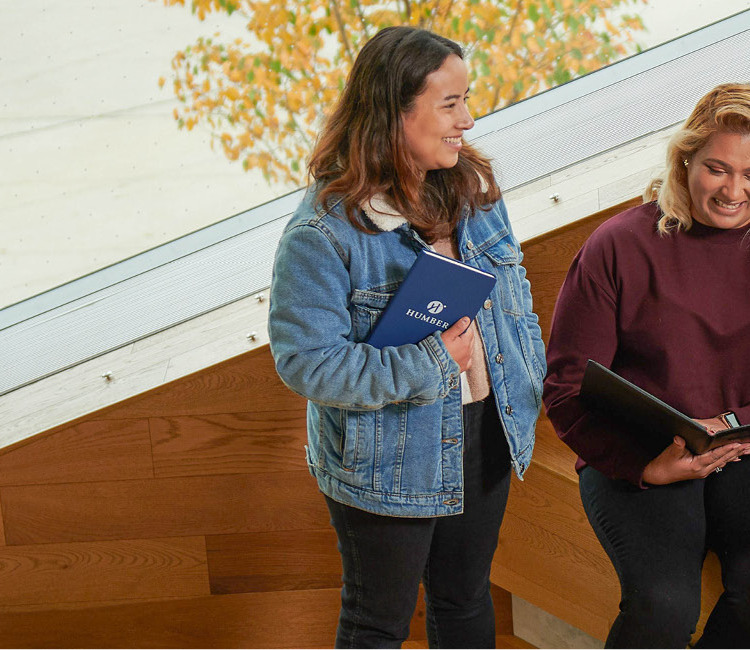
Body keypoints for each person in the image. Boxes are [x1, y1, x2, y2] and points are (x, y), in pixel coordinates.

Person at [541, 82, 750, 648]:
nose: (734, 191)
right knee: (662, 607)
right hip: (648, 449)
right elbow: (568, 387)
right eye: (717, 168)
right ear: (685, 159)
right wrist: (643, 465)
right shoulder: (617, 245)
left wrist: (733, 424)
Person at [266, 26, 548, 649]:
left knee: (467, 600)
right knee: (377, 623)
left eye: (466, 100)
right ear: (394, 113)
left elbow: (513, 291)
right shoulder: (322, 234)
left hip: (485, 431)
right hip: (388, 453)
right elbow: (307, 364)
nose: (467, 121)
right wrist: (431, 363)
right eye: (450, 105)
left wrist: (525, 381)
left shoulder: (473, 190)